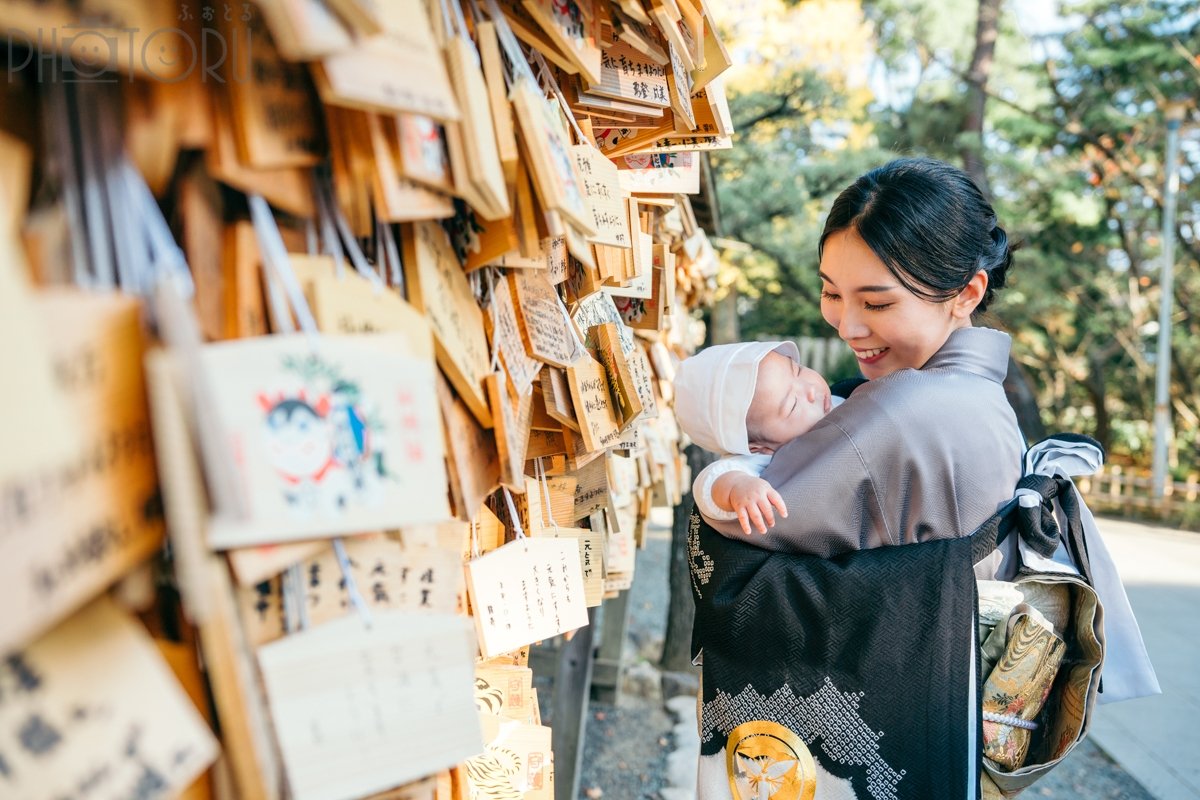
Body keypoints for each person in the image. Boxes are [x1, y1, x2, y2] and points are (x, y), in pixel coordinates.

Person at [689, 157, 1029, 800]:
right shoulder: (978, 398)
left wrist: (720, 485)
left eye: (876, 302)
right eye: (832, 292)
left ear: (968, 293)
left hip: (900, 708)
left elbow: (747, 527)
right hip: (948, 711)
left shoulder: (902, 411)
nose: (847, 325)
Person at [673, 341, 837, 536]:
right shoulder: (765, 460)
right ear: (757, 447)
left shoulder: (844, 398)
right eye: (792, 405)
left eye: (798, 371)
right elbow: (711, 482)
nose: (810, 391)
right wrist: (740, 487)